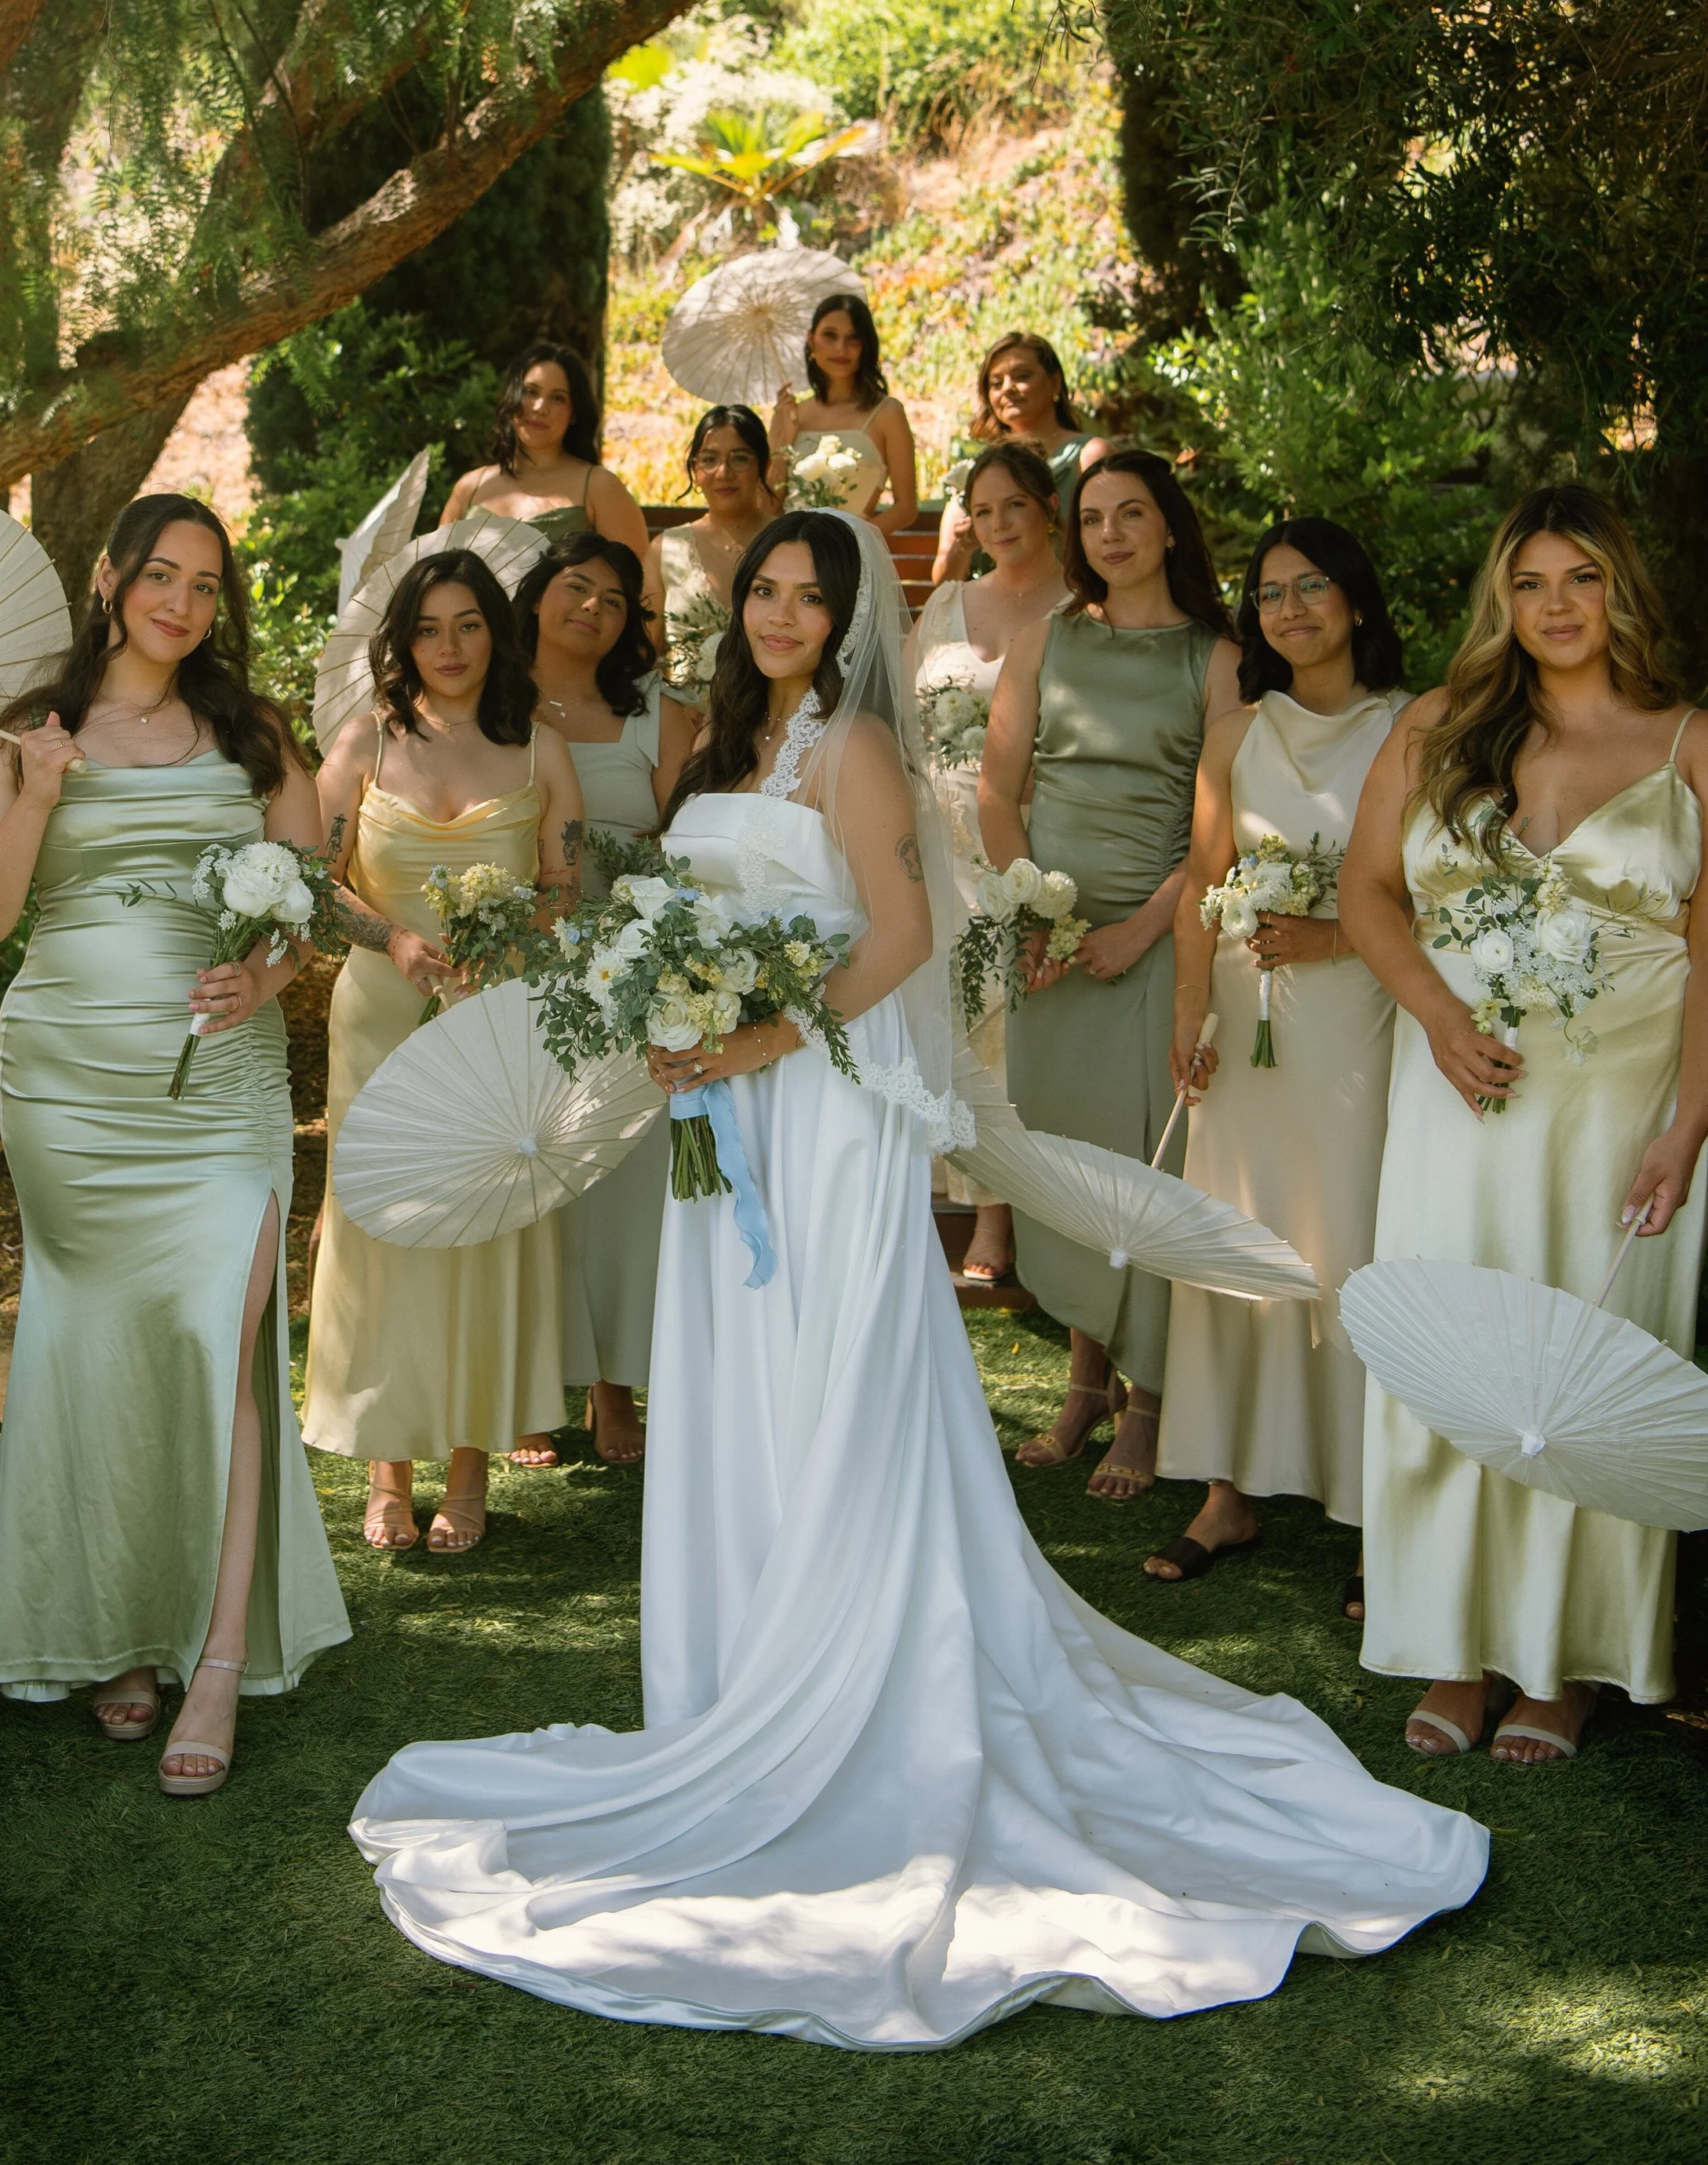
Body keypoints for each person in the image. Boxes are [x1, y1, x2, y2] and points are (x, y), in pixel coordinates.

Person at [347, 510, 1487, 2049]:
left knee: (831, 1382)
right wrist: (668, 997)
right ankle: (734, 1680)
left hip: (815, 1113)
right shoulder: (728, 749)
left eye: (810, 597)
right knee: (739, 1385)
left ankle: (851, 1691)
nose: (780, 614)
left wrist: (747, 1031)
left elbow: (890, 938)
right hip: (716, 1114)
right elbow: (681, 909)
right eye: (762, 590)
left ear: (845, 618)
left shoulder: (857, 750)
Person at [0, 494, 349, 1793]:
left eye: (207, 585)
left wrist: (270, 980)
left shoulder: (252, 733)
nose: (182, 602)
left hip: (218, 1086)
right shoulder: (24, 737)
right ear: (111, 579)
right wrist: (40, 793)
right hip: (67, 1084)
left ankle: (218, 1658)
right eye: (161, 575)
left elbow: (307, 895)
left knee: (217, 1353)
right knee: (105, 1345)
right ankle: (120, 1631)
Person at [1341, 484, 1708, 1765]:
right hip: (1459, 1101)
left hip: (1620, 1118)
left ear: (1624, 594)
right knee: (1459, 1351)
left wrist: (1691, 1126)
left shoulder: (1688, 743)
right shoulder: (1440, 728)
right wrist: (1438, 1017)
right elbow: (1368, 890)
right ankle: (1452, 1642)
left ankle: (1570, 1665)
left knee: (1586, 1366)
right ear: (1503, 599)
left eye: (1584, 580)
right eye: (1533, 583)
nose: (1557, 607)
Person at [1148, 520, 1409, 1603]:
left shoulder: (1413, 728)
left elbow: (1437, 897)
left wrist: (1338, 938)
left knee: (1347, 1243)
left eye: (1312, 588)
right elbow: (1204, 887)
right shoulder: (1236, 733)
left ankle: (1372, 1505)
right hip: (1245, 1036)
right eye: (1269, 593)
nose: (1290, 608)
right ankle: (1227, 1487)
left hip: (1359, 1018)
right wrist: (1191, 1016)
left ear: (1354, 602)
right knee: (1235, 1238)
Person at [302, 552, 584, 1553]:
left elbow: (567, 883)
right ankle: (388, 1469)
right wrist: (393, 937)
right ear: (403, 641)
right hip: (382, 1013)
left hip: (498, 1019)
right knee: (384, 1228)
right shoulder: (364, 744)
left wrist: (520, 934)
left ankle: (467, 1469)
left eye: (470, 626)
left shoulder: (539, 748)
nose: (451, 647)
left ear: (495, 635)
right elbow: (308, 876)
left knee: (481, 1231)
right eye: (430, 628)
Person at [979, 450, 1244, 1500]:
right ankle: (1083, 1384)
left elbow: (1219, 830)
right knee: (1067, 1163)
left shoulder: (1216, 658)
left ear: (1170, 527)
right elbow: (1000, 795)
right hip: (1052, 949)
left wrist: (1144, 929)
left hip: (1157, 942)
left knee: (1147, 1164)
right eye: (1094, 519)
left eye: (1134, 514)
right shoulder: (1045, 641)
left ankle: (1148, 1405)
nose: (1113, 534)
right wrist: (1031, 909)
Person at [516, 534, 693, 1463]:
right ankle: (530, 1382)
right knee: (534, 1166)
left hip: (631, 965)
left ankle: (614, 1384)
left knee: (622, 1175)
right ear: (537, 595)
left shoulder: (658, 715)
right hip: (518, 964)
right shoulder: (488, 702)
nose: (592, 606)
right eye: (575, 586)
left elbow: (688, 846)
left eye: (615, 599)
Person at [911, 442, 1069, 1284]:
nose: (999, 523)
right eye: (983, 507)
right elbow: (901, 714)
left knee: (1002, 1013)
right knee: (937, 1010)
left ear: (1049, 506)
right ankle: (944, 1196)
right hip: (933, 832)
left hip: (1025, 831)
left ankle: (1002, 1211)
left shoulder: (1081, 607)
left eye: (1016, 504)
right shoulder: (944, 601)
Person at [443, 342, 654, 584]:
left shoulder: (600, 487)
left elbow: (638, 586)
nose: (540, 408)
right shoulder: (470, 487)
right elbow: (439, 578)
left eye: (557, 398)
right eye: (531, 392)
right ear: (513, 396)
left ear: (574, 413)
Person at [932, 330, 1111, 582]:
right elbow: (942, 582)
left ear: (1055, 382)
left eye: (1022, 376)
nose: (1008, 389)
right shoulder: (978, 470)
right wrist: (965, 545)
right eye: (996, 383)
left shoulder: (1088, 456)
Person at [651, 403, 777, 707]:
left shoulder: (789, 543)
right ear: (695, 469)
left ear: (763, 465)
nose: (723, 473)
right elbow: (642, 650)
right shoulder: (665, 549)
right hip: (685, 717)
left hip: (772, 714)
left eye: (740, 459)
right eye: (709, 459)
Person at [767, 291, 919, 528]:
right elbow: (769, 507)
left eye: (853, 338)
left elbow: (906, 508)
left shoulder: (887, 414)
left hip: (852, 555)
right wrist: (783, 440)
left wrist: (853, 543)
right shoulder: (792, 414)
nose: (841, 348)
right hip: (790, 551)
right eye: (830, 335)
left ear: (865, 345)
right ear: (811, 340)